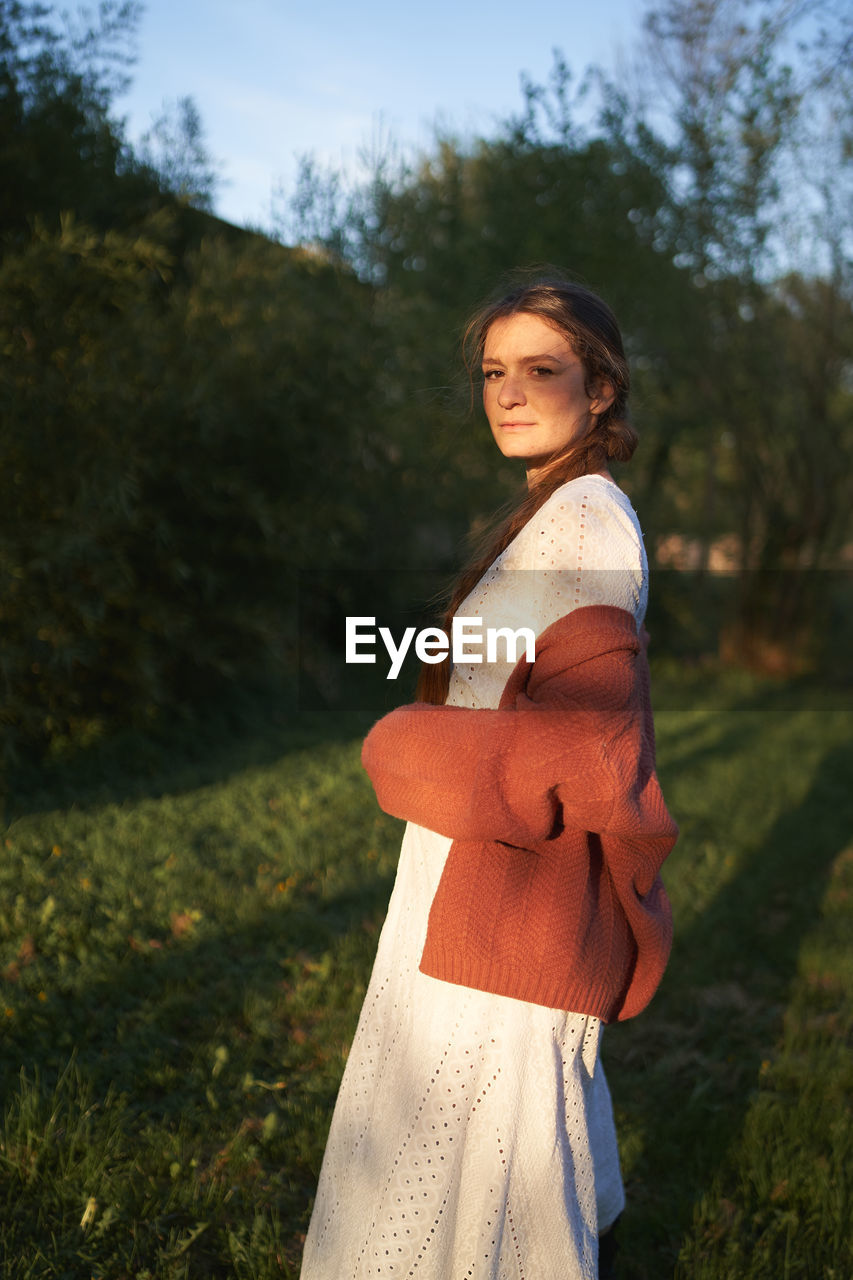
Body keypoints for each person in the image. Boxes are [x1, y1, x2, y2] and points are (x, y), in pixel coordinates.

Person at [299, 276, 678, 1280]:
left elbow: (592, 748)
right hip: (468, 862)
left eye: (539, 369)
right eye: (492, 371)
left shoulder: (587, 522)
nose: (506, 392)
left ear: (599, 390)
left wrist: (406, 747)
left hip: (510, 886)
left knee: (482, 1159)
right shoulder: (550, 513)